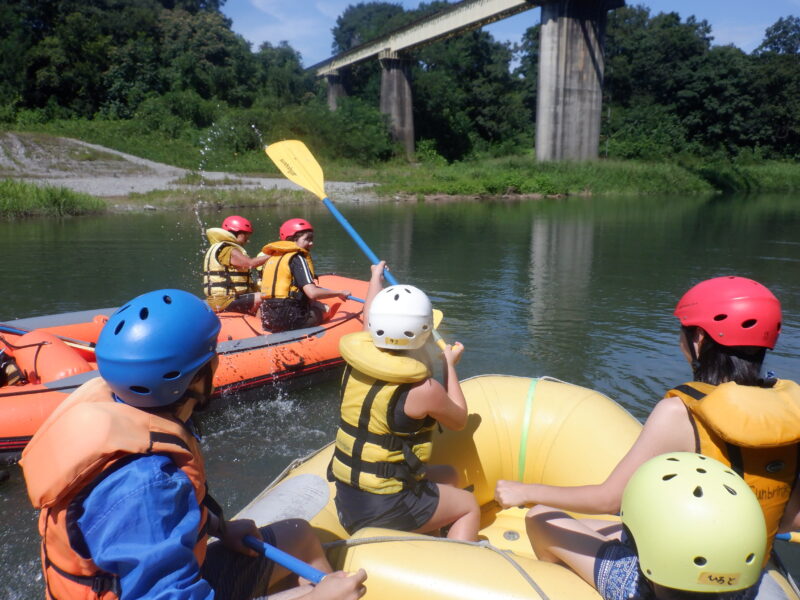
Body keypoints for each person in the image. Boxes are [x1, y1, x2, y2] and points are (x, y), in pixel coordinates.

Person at [19, 289, 367, 600]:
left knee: (299, 535)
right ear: (196, 380)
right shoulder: (147, 483)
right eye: (212, 358)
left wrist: (220, 528)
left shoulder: (130, 412)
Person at [495, 275, 800, 596]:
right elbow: (790, 519)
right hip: (744, 581)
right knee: (608, 530)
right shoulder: (791, 416)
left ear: (698, 339)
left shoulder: (682, 413)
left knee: (542, 518)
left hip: (664, 588)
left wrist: (524, 491)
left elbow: (608, 499)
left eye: (683, 331)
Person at [329, 261, 480, 541]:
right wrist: (449, 364)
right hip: (384, 507)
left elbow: (368, 317)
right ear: (423, 332)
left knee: (449, 475)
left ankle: (426, 538)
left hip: (350, 496)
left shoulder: (357, 363)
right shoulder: (424, 389)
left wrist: (375, 276)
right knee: (468, 505)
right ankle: (457, 562)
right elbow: (459, 419)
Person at [527, 452, 767, 600]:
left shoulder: (627, 583)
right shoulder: (746, 588)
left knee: (539, 518)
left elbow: (539, 515)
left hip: (644, 588)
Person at [260, 218, 350, 332]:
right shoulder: (297, 258)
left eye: (312, 239)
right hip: (290, 318)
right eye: (307, 239)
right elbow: (312, 293)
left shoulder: (272, 259)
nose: (311, 243)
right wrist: (339, 293)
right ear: (292, 239)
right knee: (323, 309)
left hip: (269, 317)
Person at [203, 215, 269, 315]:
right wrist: (274, 255)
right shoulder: (227, 250)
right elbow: (250, 264)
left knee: (260, 293)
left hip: (221, 300)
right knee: (264, 297)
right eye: (246, 236)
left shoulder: (222, 247)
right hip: (225, 301)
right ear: (237, 233)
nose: (248, 240)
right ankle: (264, 329)